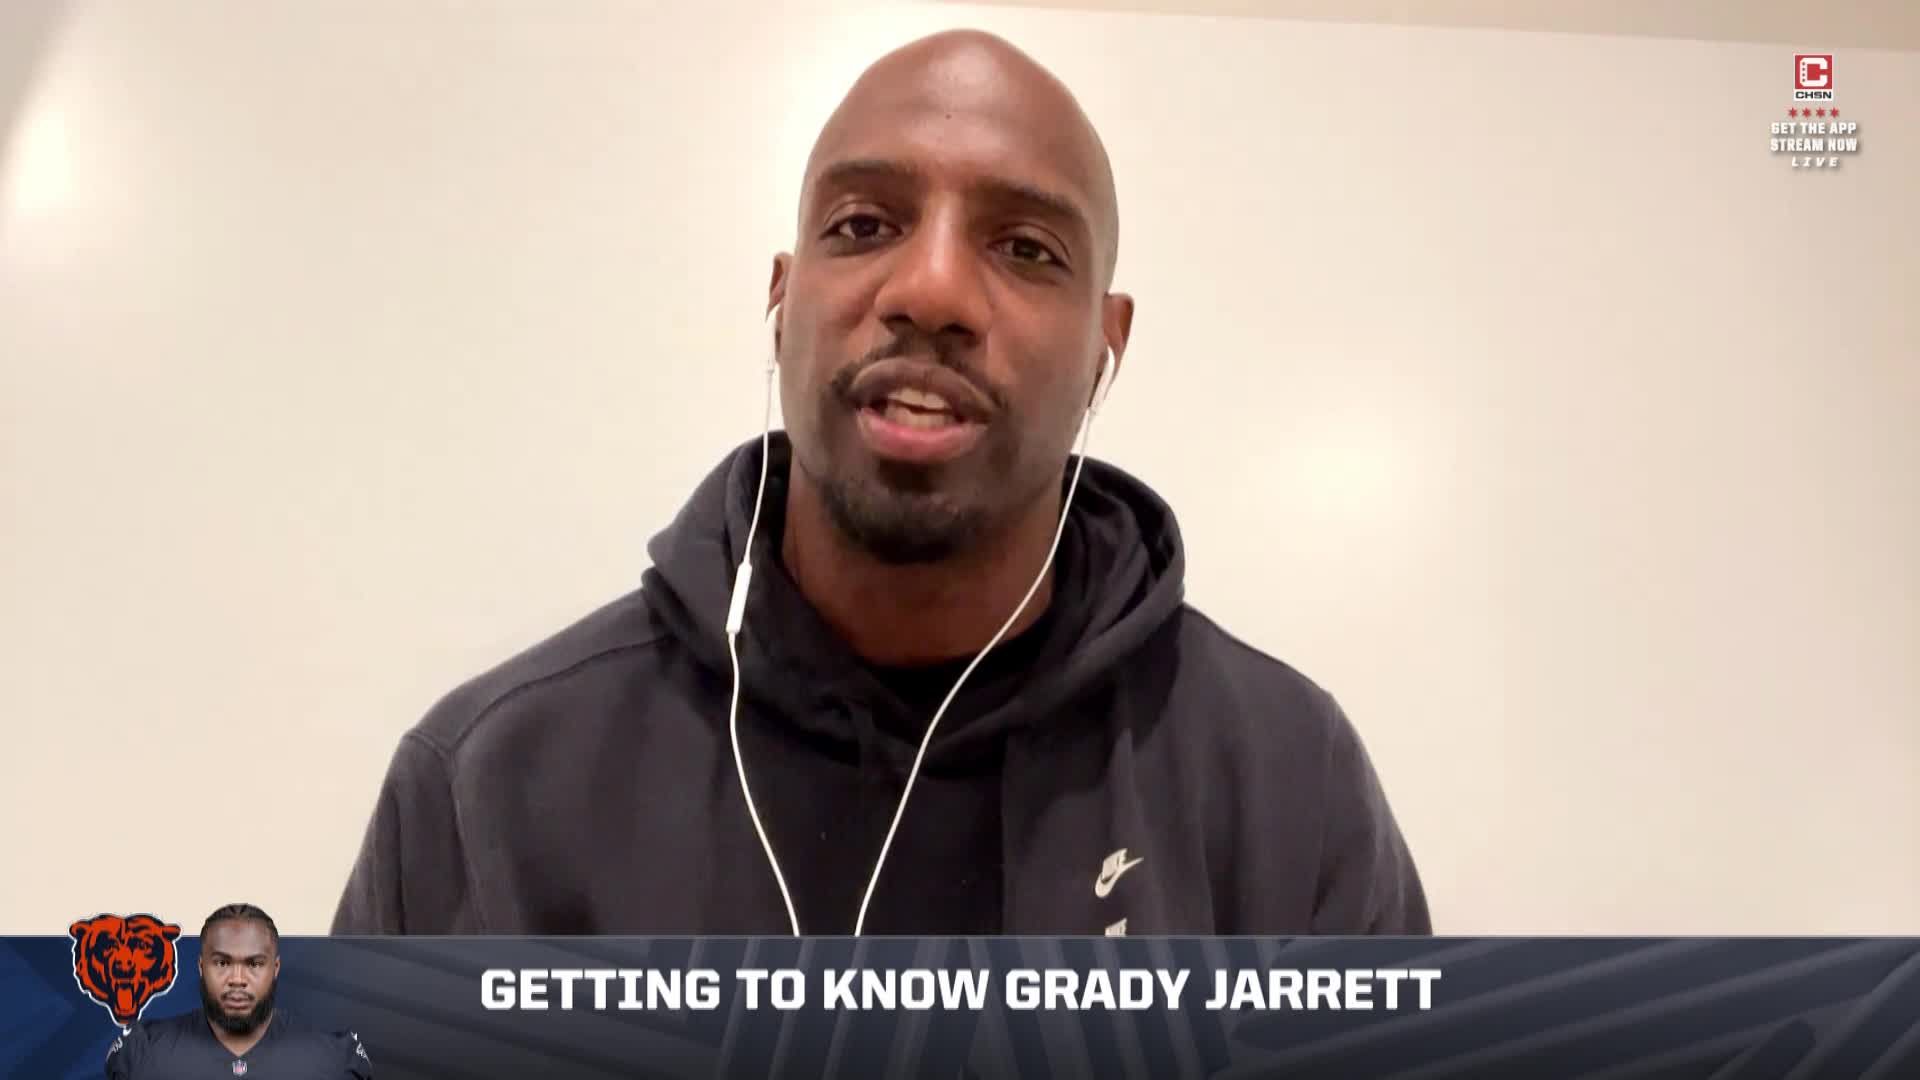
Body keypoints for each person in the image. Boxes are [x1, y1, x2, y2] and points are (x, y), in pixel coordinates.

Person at [331, 28, 1429, 937]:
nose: (932, 289)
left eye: (1027, 248)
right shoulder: (490, 787)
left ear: (1108, 344)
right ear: (782, 299)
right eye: (862, 226)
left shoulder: (1290, 787)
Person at [105, 904, 372, 1078]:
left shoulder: (332, 1055)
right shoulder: (144, 1050)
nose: (237, 979)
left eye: (254, 964)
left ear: (275, 968)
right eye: (222, 963)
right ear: (201, 966)